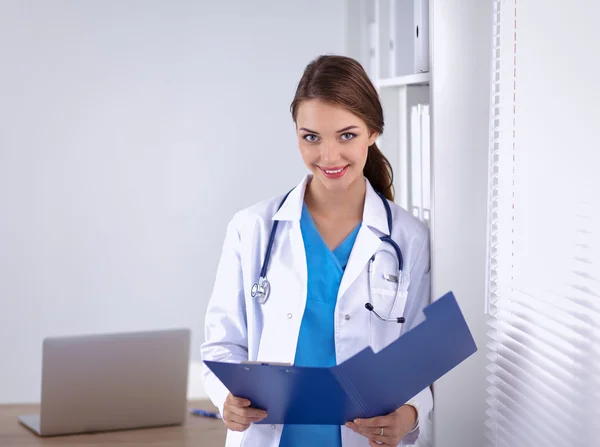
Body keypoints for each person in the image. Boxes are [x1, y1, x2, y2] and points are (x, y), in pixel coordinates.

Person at [200, 54, 433, 447]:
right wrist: (226, 399)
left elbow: (420, 357)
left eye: (346, 135)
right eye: (311, 137)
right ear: (296, 133)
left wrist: (409, 416)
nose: (328, 157)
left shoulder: (409, 239)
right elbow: (221, 343)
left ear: (373, 132)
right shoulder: (252, 228)